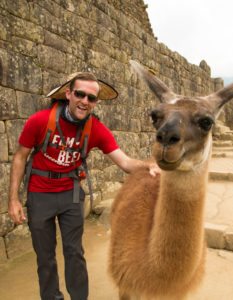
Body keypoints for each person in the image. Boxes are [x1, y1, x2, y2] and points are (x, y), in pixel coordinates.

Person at [8, 72, 160, 300]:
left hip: (70, 195)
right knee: (45, 256)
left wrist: (149, 166)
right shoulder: (40, 121)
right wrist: (13, 199)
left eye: (91, 98)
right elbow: (20, 157)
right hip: (40, 194)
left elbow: (124, 161)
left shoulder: (95, 129)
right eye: (80, 94)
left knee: (74, 253)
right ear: (68, 94)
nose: (85, 101)